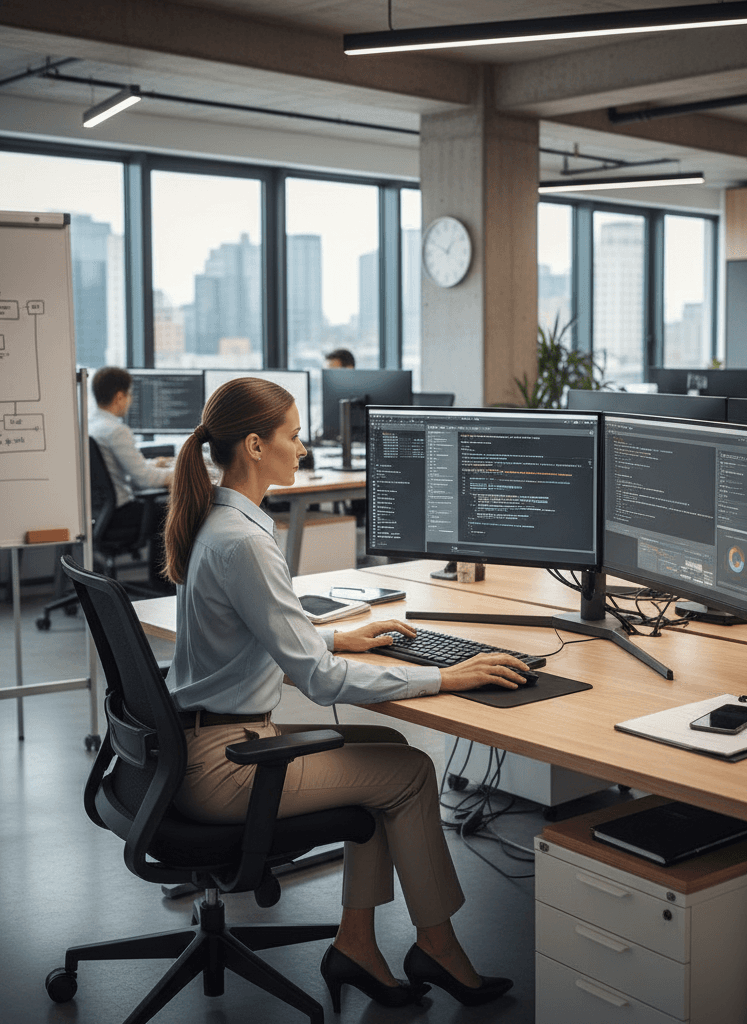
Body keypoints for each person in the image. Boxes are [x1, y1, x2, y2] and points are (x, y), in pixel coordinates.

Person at [162, 377, 527, 1010]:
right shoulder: (245, 542)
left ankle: (357, 943)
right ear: (255, 446)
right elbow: (321, 681)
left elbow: (257, 636)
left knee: (386, 748)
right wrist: (447, 676)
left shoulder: (217, 522)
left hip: (199, 745)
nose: (303, 449)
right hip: (227, 766)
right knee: (410, 773)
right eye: (294, 436)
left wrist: (337, 636)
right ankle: (437, 945)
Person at [89, 366, 174, 593]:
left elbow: (127, 470)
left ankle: (162, 584)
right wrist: (179, 474)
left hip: (100, 513)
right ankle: (163, 587)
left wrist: (153, 465)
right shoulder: (116, 430)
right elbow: (144, 480)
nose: (130, 400)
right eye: (130, 395)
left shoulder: (93, 426)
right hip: (120, 514)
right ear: (119, 396)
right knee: (172, 511)